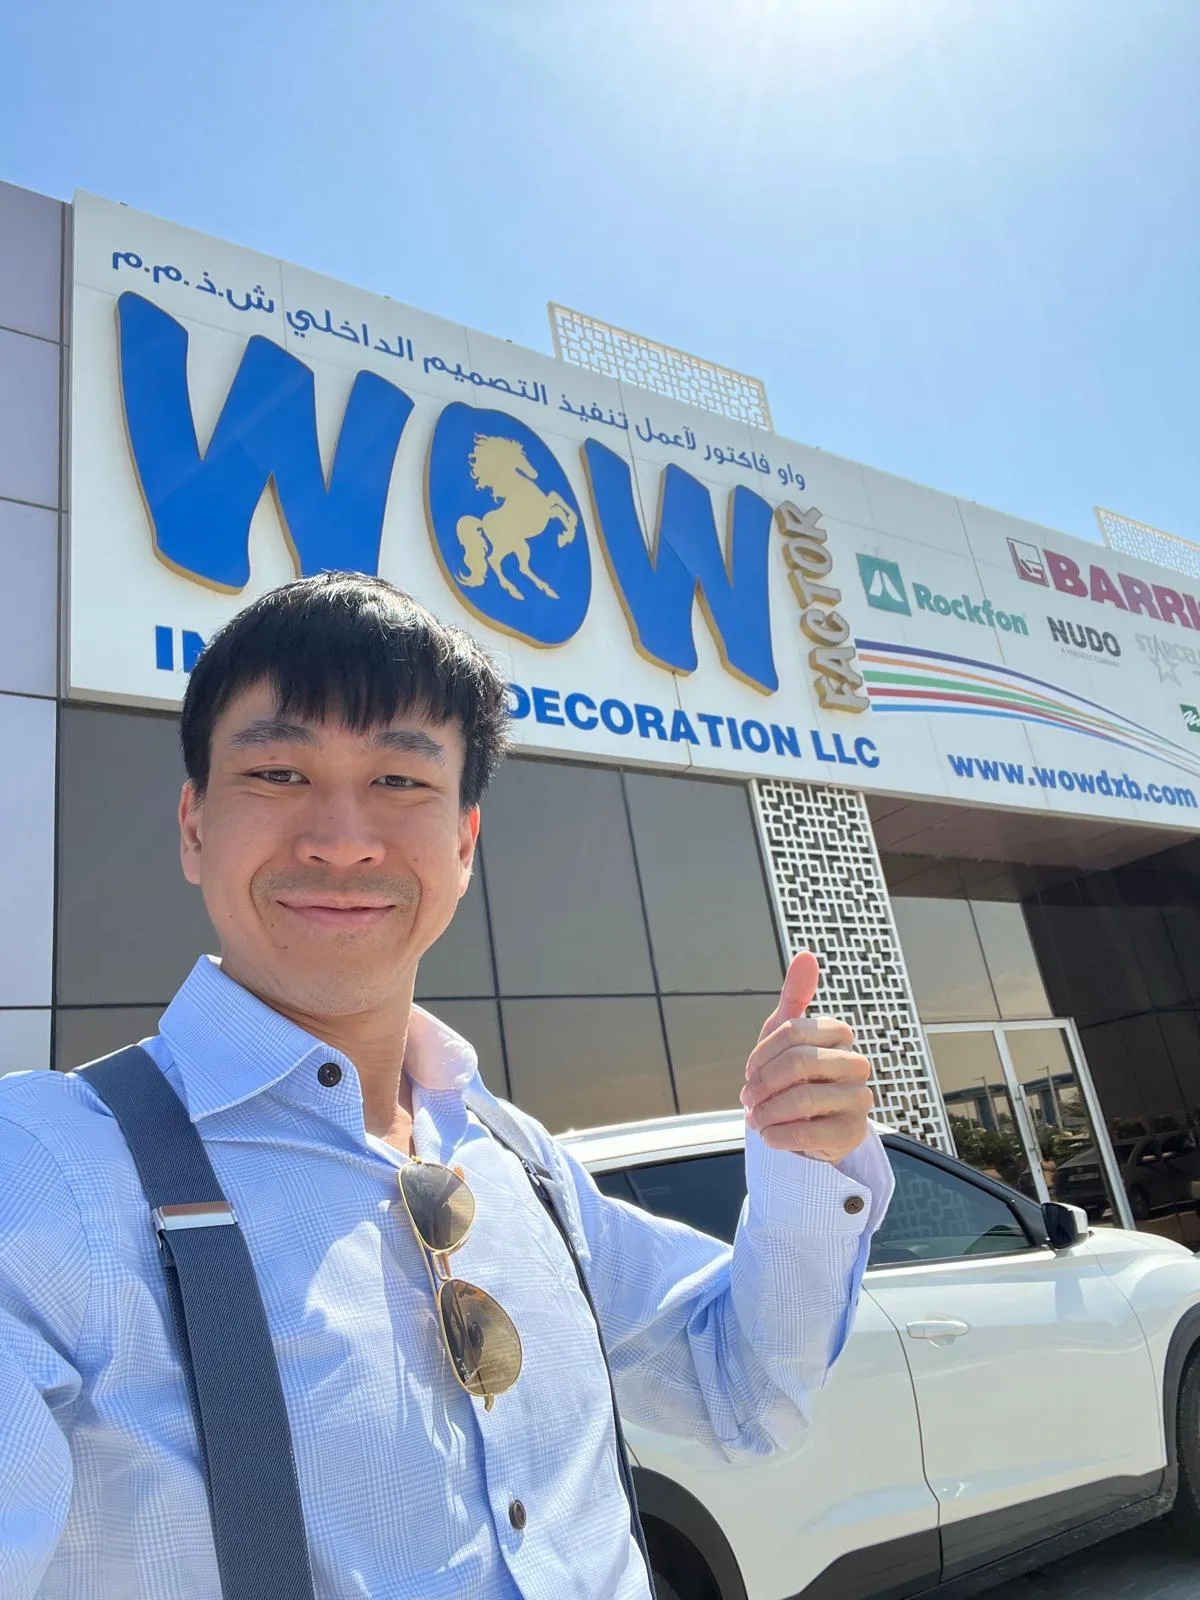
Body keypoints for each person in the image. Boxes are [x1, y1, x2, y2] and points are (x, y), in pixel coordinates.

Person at [0, 572, 893, 1600]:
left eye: (401, 780)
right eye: (280, 772)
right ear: (195, 825)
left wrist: (804, 1169)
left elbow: (743, 1392)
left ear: (465, 843)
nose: (341, 838)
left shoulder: (518, 1160)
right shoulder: (46, 1174)